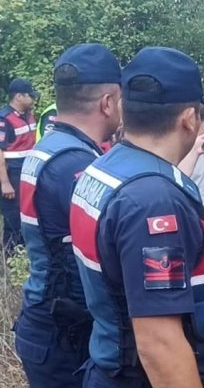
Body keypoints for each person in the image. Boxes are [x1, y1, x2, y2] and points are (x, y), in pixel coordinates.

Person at [70, 46, 204, 387]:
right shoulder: (153, 200)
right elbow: (158, 343)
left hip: (113, 366)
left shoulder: (107, 168)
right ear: (190, 119)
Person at [14, 43, 122, 387]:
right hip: (63, 336)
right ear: (108, 103)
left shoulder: (51, 147)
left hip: (46, 322)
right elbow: (108, 253)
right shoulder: (74, 166)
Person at [0, 78, 39, 253]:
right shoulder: (4, 119)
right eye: (30, 96)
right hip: (11, 174)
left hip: (26, 173)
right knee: (13, 218)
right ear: (19, 97)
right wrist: (5, 182)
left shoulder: (29, 115)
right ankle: (10, 255)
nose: (33, 99)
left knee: (26, 214)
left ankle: (22, 252)